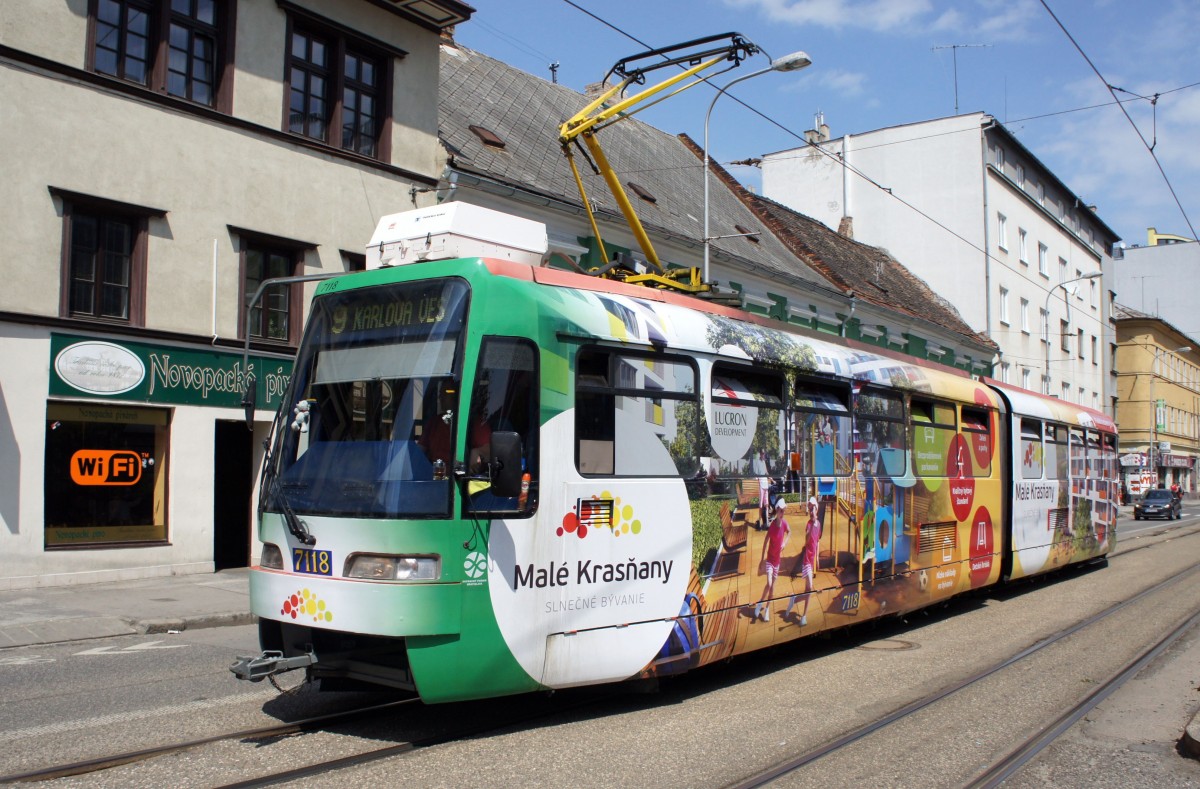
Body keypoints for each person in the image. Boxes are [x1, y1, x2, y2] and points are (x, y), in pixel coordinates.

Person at [785, 497, 823, 627]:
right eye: (810, 509)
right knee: (811, 588)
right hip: (806, 560)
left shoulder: (819, 525)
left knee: (808, 591)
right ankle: (804, 617)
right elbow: (806, 541)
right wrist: (811, 527)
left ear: (817, 510)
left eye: (813, 509)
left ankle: (794, 600)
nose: (811, 511)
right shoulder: (809, 524)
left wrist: (817, 557)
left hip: (812, 560)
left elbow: (817, 542)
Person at [752, 496, 790, 623]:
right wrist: (761, 560)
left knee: (772, 588)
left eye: (784, 511)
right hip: (769, 560)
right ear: (777, 510)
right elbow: (765, 542)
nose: (783, 513)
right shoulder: (772, 526)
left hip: (777, 562)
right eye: (781, 511)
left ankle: (766, 608)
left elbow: (789, 532)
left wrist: (785, 543)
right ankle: (760, 604)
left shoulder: (784, 524)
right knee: (769, 584)